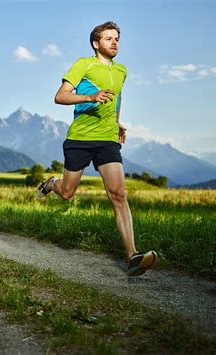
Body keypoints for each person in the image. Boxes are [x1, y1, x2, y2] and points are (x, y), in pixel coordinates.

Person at [37, 21, 158, 276]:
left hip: (107, 140)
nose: (114, 42)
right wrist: (90, 97)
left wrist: (116, 123)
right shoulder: (84, 64)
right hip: (80, 139)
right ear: (96, 43)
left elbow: (117, 97)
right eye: (108, 39)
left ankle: (133, 255)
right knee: (68, 193)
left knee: (118, 195)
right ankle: (51, 184)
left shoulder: (122, 71)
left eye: (117, 39)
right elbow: (60, 96)